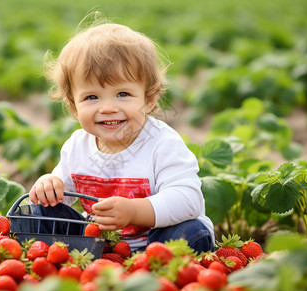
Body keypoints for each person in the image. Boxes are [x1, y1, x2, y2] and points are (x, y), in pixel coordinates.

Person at [28, 19, 214, 252]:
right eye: (92, 97)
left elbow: (189, 201)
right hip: (101, 244)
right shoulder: (77, 146)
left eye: (123, 94)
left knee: (189, 231)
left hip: (155, 242)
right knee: (41, 209)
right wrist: (48, 185)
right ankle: (63, 259)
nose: (107, 108)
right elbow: (61, 197)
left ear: (149, 99)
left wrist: (135, 211)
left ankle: (153, 267)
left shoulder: (163, 144)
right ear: (74, 107)